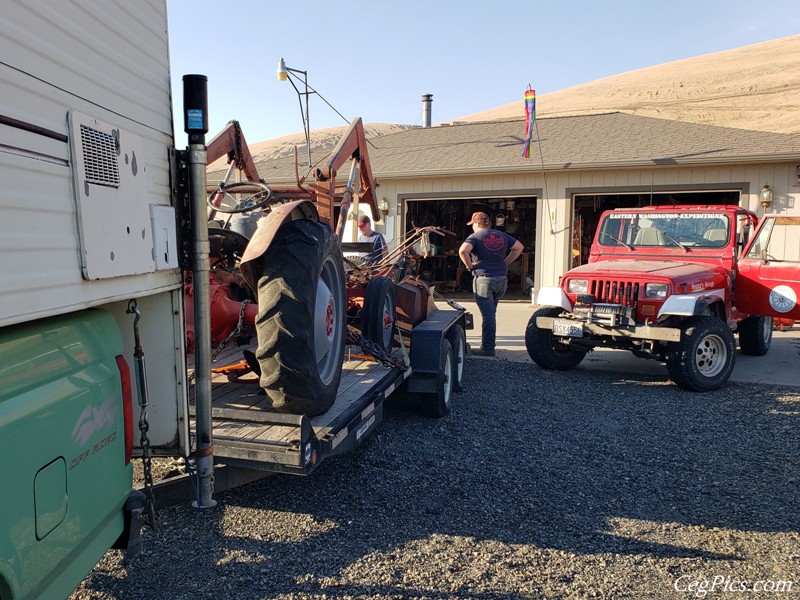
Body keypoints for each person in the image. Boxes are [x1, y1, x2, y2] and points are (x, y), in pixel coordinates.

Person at [458, 211, 523, 357]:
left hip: (484, 279)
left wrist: (469, 266)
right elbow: (519, 247)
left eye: (472, 224)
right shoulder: (502, 235)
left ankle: (487, 348)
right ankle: (488, 344)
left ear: (476, 223)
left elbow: (463, 251)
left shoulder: (475, 237)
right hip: (501, 279)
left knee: (488, 316)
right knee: (491, 313)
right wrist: (505, 262)